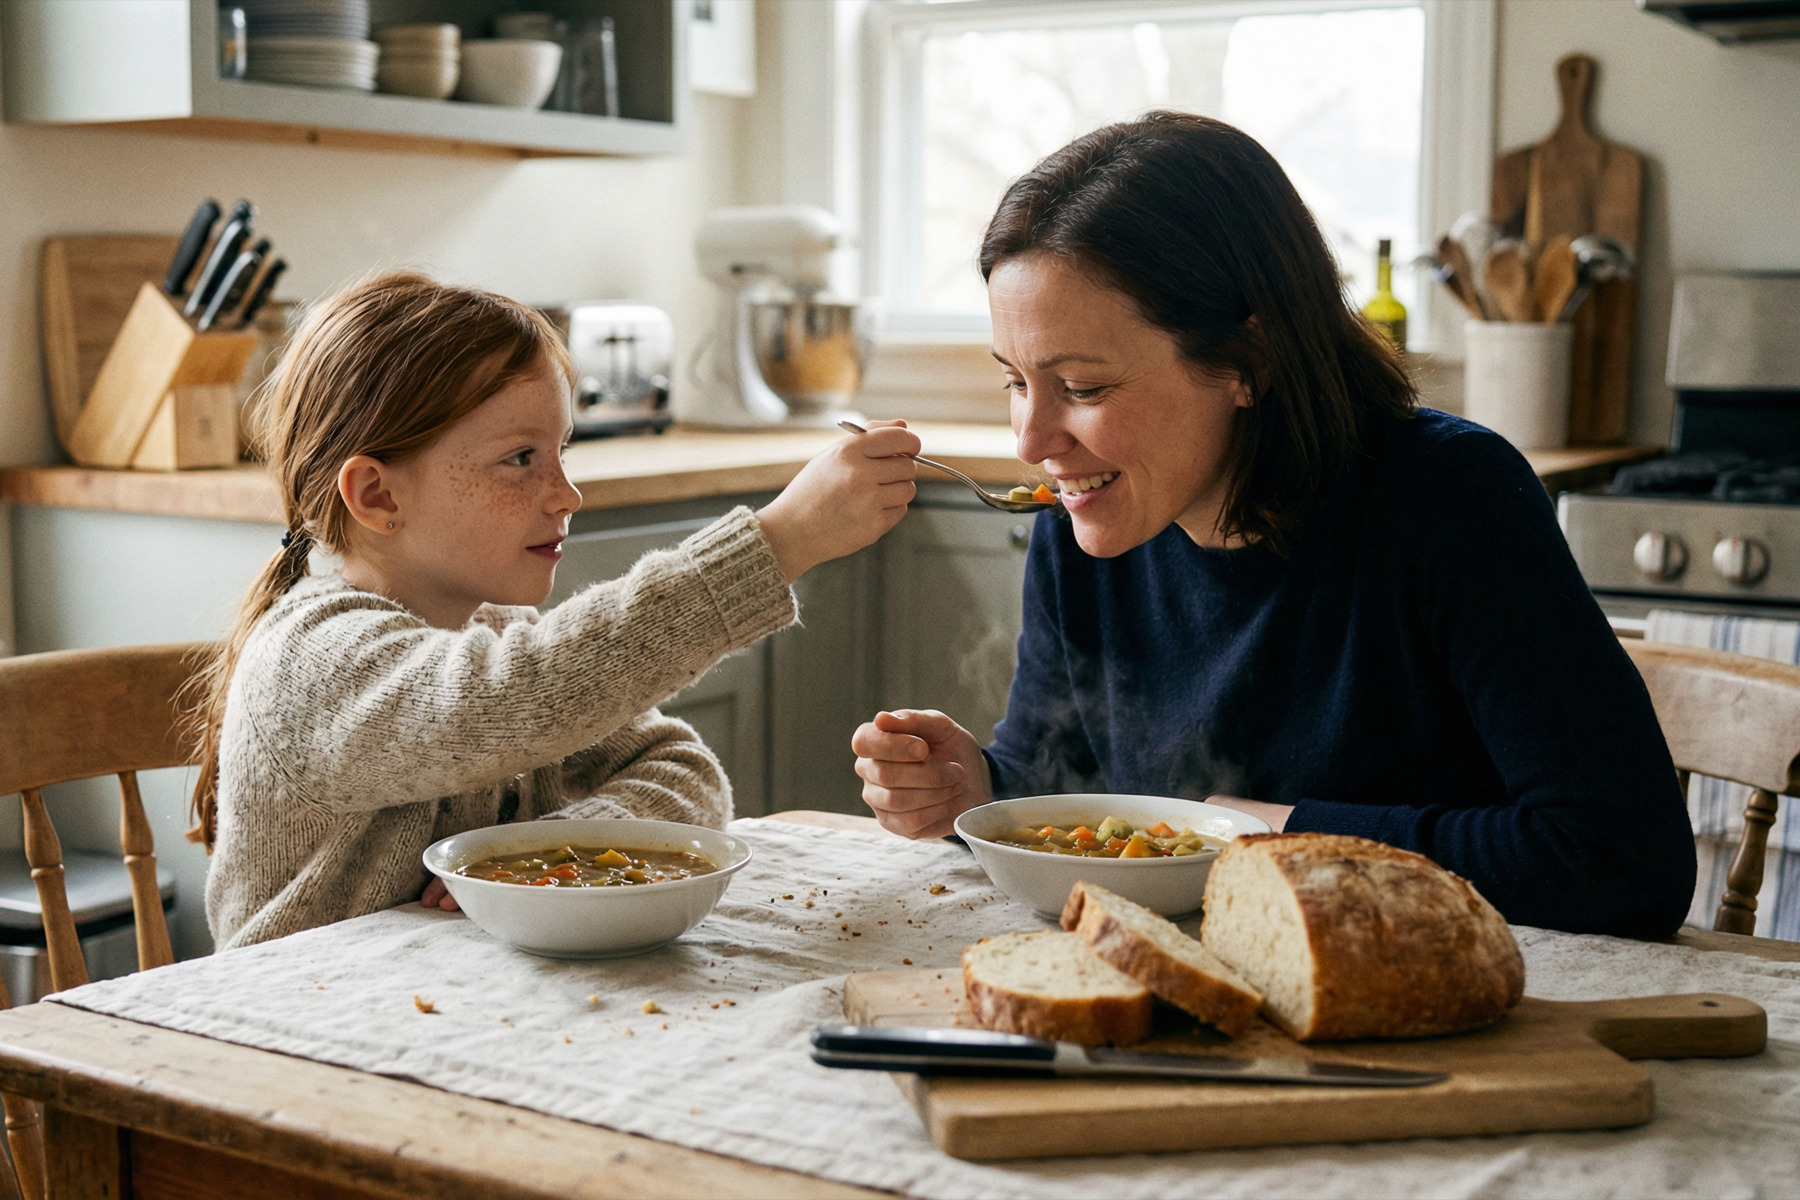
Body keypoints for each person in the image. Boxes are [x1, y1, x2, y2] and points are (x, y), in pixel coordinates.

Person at [851, 112, 1694, 938]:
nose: (1033, 441)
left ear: (1248, 362)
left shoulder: (1452, 498)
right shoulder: (1085, 516)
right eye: (1015, 381)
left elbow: (1624, 862)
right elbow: (1061, 776)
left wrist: (1276, 835)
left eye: (1083, 387)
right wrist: (980, 786)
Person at [189, 271, 919, 949]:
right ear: (378, 496)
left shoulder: (495, 631)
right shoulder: (313, 660)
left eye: (561, 451)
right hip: (290, 1046)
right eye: (521, 459)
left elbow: (682, 769)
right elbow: (516, 695)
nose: (566, 494)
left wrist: (548, 848)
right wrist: (778, 541)